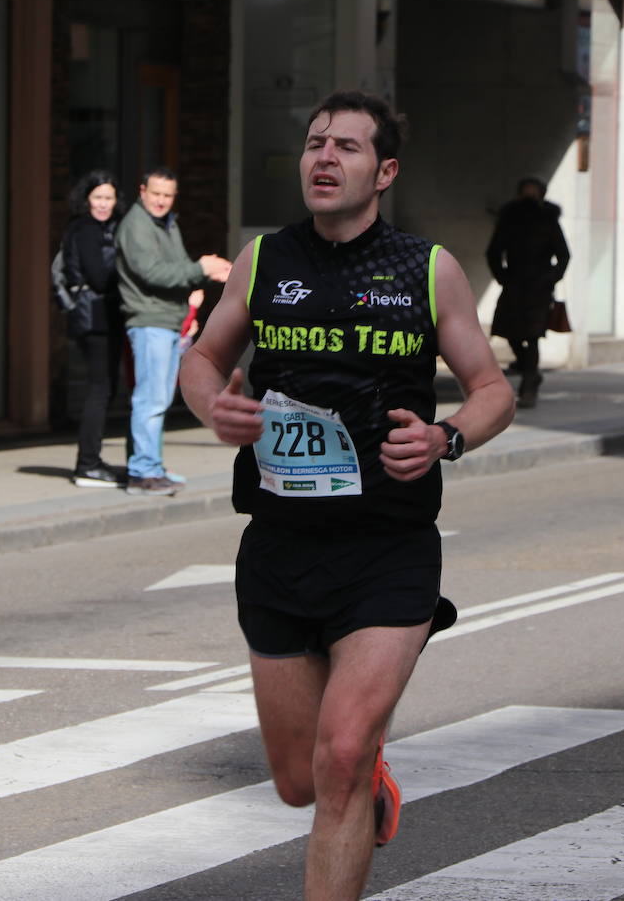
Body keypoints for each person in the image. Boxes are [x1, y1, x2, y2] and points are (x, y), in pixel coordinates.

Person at [179, 90, 514, 900]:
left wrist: (446, 438)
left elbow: (492, 388)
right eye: (314, 143)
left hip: (387, 547)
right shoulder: (264, 260)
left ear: (385, 171)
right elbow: (201, 358)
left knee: (338, 758)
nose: (324, 158)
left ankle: (358, 765)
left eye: (348, 148)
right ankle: (367, 776)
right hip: (280, 547)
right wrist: (211, 402)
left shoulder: (426, 270)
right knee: (301, 781)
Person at [115, 166, 231, 496]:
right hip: (150, 322)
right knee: (150, 399)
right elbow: (154, 273)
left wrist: (190, 299)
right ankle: (142, 471)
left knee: (159, 399)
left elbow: (173, 271)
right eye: (156, 194)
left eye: (168, 195)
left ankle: (151, 465)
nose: (162, 201)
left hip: (167, 320)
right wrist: (201, 270)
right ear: (142, 191)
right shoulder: (137, 225)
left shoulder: (165, 223)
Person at [60, 170, 130, 488]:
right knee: (99, 389)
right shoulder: (86, 230)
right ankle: (86, 464)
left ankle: (92, 460)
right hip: (95, 319)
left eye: (108, 198)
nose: (103, 204)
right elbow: (99, 277)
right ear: (86, 200)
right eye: (97, 197)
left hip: (104, 318)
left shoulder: (104, 228)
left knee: (104, 389)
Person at [485, 176, 570, 409]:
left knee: (532, 336)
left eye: (534, 193)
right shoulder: (509, 219)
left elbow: (563, 254)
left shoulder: (549, 221)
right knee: (509, 332)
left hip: (539, 288)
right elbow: (493, 251)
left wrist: (552, 277)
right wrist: (502, 277)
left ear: (541, 195)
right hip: (514, 284)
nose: (530, 197)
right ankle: (527, 369)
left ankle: (529, 384)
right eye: (526, 192)